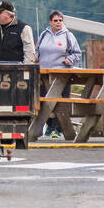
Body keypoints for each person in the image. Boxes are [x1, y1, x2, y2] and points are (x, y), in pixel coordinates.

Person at [35, 10, 82, 139]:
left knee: (60, 101)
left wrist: (69, 60)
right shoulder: (44, 34)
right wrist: (36, 56)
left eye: (60, 20)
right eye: (55, 20)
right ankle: (49, 127)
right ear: (50, 22)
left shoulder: (68, 35)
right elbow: (37, 49)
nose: (58, 22)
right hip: (44, 74)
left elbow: (77, 53)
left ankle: (57, 128)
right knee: (44, 100)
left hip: (61, 74)